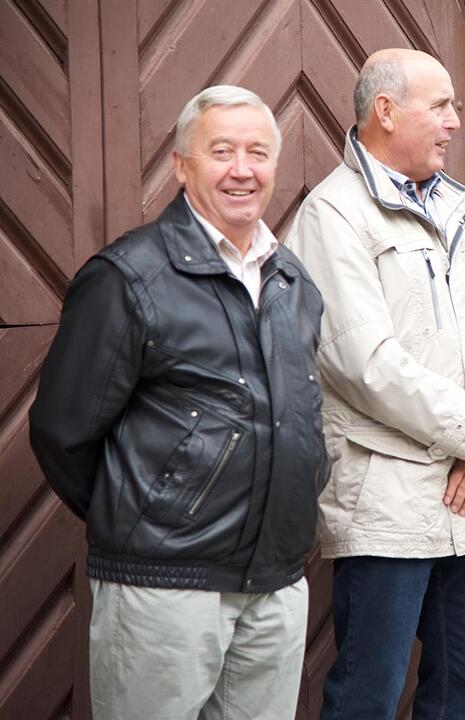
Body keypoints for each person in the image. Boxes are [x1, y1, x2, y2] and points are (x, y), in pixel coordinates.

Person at [28, 85, 328, 720]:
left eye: (257, 153)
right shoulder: (130, 276)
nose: (242, 169)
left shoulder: (293, 281)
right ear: (181, 164)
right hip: (163, 585)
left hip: (275, 580)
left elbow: (299, 414)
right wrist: (144, 514)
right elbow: (62, 431)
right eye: (221, 151)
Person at [286, 48, 465, 720]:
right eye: (441, 105)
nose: (455, 121)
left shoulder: (460, 212)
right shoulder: (333, 214)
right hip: (387, 506)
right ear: (385, 111)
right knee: (367, 692)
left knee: (462, 692)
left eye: (457, 105)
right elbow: (362, 361)